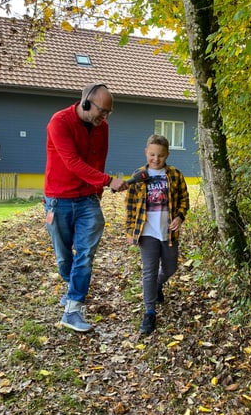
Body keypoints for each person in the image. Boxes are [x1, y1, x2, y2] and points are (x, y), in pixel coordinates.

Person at [43, 83, 128, 332]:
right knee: (63, 257)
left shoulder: (103, 128)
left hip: (88, 198)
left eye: (108, 113)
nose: (104, 117)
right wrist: (108, 181)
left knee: (85, 254)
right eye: (102, 111)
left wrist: (98, 192)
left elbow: (99, 160)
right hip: (58, 200)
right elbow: (73, 162)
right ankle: (73, 291)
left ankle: (73, 309)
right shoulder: (59, 122)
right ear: (86, 103)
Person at [125, 134, 190, 335]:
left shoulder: (175, 175)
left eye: (160, 155)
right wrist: (129, 230)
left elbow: (184, 200)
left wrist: (179, 217)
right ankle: (149, 312)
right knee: (149, 271)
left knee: (171, 266)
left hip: (168, 232)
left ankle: (157, 285)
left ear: (167, 155)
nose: (156, 159)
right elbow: (129, 206)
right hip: (147, 233)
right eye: (152, 154)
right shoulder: (138, 176)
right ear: (146, 153)